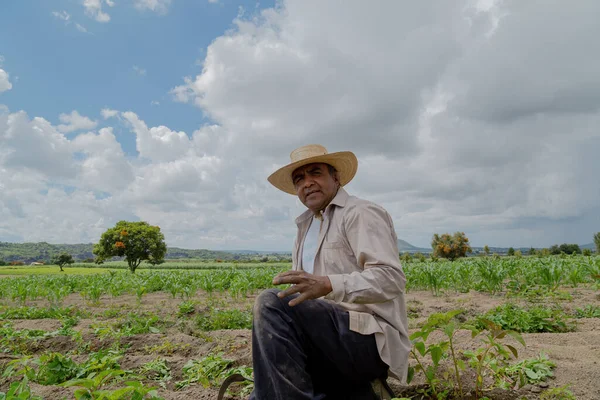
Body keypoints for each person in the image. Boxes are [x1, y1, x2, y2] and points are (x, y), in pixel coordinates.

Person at [226, 144, 410, 400]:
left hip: (368, 339)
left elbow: (391, 278)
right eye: (299, 179)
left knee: (271, 303)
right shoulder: (305, 227)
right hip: (327, 342)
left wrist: (328, 284)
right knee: (282, 307)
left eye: (316, 173)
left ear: (335, 178)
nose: (307, 183)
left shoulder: (360, 213)